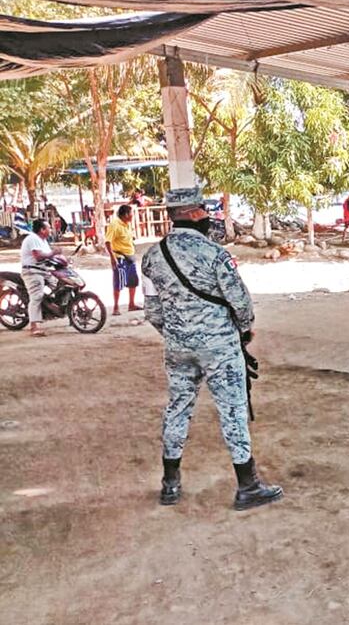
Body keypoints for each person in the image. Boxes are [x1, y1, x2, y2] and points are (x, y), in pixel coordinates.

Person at [141, 187, 282, 511]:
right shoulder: (214, 254)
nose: (207, 216)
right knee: (232, 410)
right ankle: (248, 486)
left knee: (177, 407)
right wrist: (244, 329)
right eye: (203, 210)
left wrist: (177, 332)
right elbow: (241, 303)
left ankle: (170, 485)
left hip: (177, 348)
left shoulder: (152, 257)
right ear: (192, 213)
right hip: (219, 347)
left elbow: (152, 312)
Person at [20, 218, 56, 338]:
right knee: (37, 296)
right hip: (32, 271)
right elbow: (38, 256)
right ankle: (33, 327)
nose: (51, 229)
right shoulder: (33, 238)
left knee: (58, 285)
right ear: (42, 230)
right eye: (48, 227)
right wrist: (53, 253)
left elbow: (49, 257)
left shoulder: (43, 241)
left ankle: (48, 311)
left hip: (43, 271)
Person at [105, 204, 141, 316]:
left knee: (133, 281)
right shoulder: (114, 225)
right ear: (125, 214)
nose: (132, 216)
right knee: (118, 282)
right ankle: (115, 307)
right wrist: (112, 257)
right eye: (131, 214)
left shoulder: (127, 225)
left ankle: (131, 304)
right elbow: (108, 242)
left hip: (130, 255)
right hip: (120, 257)